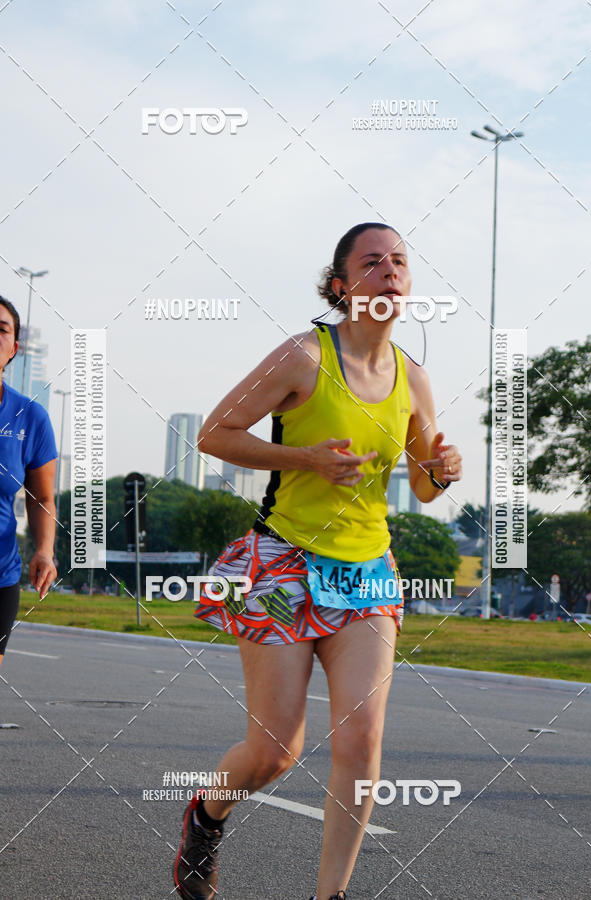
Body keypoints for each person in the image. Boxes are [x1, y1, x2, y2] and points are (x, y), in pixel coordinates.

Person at [173, 223, 463, 900]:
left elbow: (421, 483)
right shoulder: (303, 356)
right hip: (279, 564)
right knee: (274, 752)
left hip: (366, 573)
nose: (390, 271)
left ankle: (328, 895)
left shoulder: (414, 381)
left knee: (362, 743)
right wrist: (307, 459)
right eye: (372, 262)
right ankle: (206, 815)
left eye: (399, 262)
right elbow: (217, 434)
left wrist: (442, 470)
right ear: (341, 286)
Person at [0, 296, 58, 664]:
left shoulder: (30, 417)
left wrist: (44, 551)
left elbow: (42, 499)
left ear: (14, 349)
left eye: (1, 330)